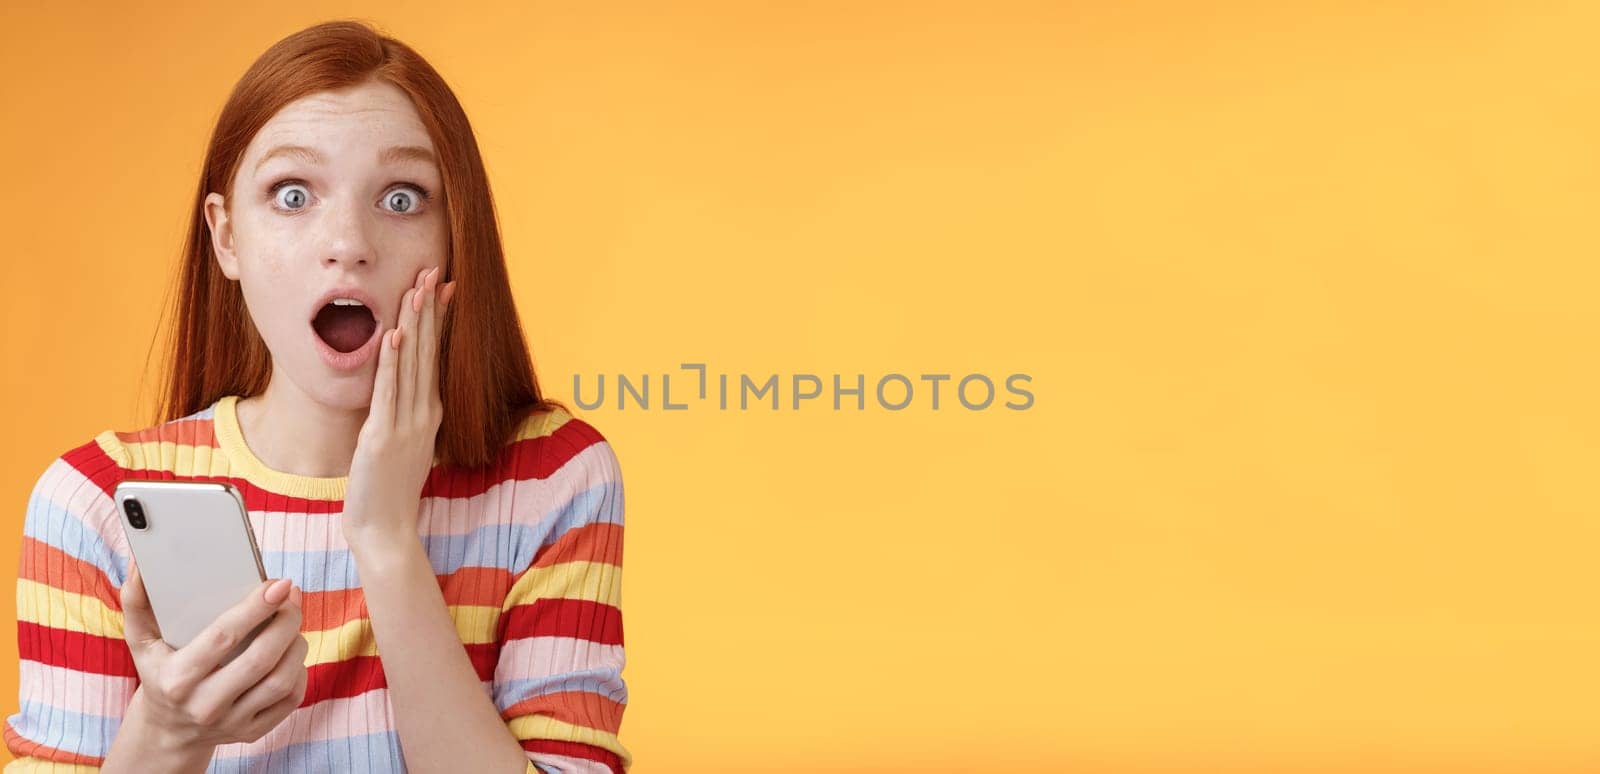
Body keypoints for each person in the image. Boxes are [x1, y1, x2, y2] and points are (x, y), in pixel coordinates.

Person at [4, 20, 631, 774]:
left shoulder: (552, 480)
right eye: (293, 194)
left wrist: (388, 540)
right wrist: (170, 732)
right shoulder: (95, 504)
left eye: (402, 198)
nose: (349, 242)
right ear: (226, 238)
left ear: (454, 238)